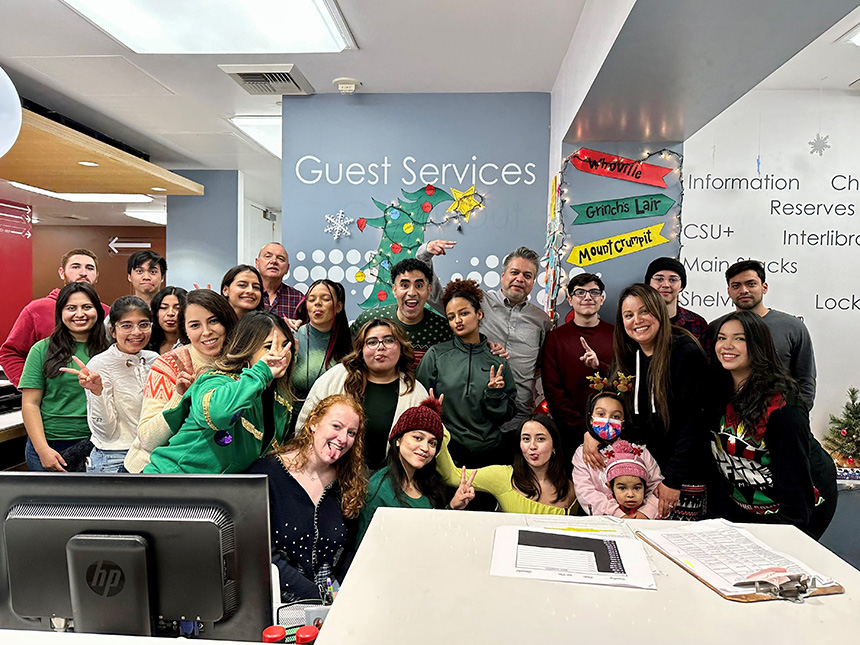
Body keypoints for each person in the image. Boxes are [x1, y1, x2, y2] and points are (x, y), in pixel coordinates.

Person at [583, 283, 709, 520]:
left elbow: (694, 423)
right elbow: (611, 405)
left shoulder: (684, 352)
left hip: (681, 476)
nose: (637, 320)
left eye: (644, 311)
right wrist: (591, 432)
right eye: (628, 315)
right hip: (641, 474)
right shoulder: (628, 356)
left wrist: (674, 480)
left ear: (659, 311)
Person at [709, 311, 836, 539]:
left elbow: (796, 486)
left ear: (759, 344)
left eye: (740, 338)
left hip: (800, 506)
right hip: (747, 502)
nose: (727, 346)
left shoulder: (784, 406)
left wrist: (787, 538)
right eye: (721, 338)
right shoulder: (715, 391)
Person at [249, 394, 367, 602]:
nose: (343, 438)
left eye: (351, 433)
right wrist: (317, 597)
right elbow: (261, 554)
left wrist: (339, 597)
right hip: (276, 606)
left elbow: (348, 550)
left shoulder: (349, 483)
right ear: (313, 423)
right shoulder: (266, 473)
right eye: (336, 426)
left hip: (331, 606)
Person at [143, 310, 293, 474]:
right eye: (268, 347)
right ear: (247, 348)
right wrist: (261, 373)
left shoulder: (280, 399)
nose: (279, 353)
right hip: (169, 480)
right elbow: (218, 415)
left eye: (285, 345)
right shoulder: (216, 380)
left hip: (215, 490)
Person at [124, 289, 238, 473]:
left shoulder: (242, 363)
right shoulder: (169, 365)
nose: (207, 332)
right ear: (185, 330)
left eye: (213, 321)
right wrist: (180, 397)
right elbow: (148, 439)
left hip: (213, 474)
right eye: (195, 325)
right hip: (155, 471)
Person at [298, 318, 429, 470]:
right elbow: (305, 425)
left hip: (388, 483)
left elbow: (424, 446)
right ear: (361, 350)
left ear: (401, 348)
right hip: (330, 473)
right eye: (372, 342)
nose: (381, 347)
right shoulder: (336, 377)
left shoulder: (415, 391)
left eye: (389, 340)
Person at [416, 279, 517, 467]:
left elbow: (507, 415)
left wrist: (494, 396)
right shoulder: (436, 355)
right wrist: (431, 409)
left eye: (464, 313)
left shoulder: (497, 359)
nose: (458, 321)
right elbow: (419, 401)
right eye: (451, 317)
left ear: (479, 314)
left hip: (490, 452)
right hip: (447, 452)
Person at [355, 397, 475, 546]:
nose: (425, 448)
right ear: (398, 440)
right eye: (418, 438)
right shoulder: (377, 490)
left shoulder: (429, 481)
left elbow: (431, 530)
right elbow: (364, 549)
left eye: (432, 443)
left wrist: (452, 507)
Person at [18, 282, 109, 471]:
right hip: (51, 444)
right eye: (71, 308)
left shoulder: (111, 349)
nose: (80, 314)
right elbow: (30, 404)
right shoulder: (42, 349)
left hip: (99, 443)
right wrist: (42, 450)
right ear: (60, 312)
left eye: (87, 307)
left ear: (98, 311)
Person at [63, 296, 159, 473]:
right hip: (114, 458)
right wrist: (97, 392)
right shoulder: (99, 365)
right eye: (126, 325)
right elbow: (105, 433)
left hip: (153, 456)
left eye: (144, 324)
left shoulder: (155, 360)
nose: (137, 332)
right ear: (113, 331)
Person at [709, 260, 816, 408]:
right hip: (729, 420)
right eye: (736, 286)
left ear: (764, 287)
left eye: (751, 284)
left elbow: (805, 378)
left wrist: (798, 412)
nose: (744, 290)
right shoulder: (717, 327)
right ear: (729, 291)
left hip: (779, 417)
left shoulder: (792, 327)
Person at [0, 248, 109, 387]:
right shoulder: (36, 310)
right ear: (61, 273)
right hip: (51, 404)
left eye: (89, 268)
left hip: (98, 400)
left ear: (97, 275)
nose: (83, 273)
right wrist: (32, 387)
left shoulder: (107, 313)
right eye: (75, 267)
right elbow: (10, 353)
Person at [436, 414, 578, 514]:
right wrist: (437, 430)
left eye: (540, 439)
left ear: (554, 446)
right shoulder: (503, 476)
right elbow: (452, 476)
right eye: (526, 439)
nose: (532, 446)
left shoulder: (572, 488)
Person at [542, 273, 615, 459]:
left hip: (613, 432)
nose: (588, 297)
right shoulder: (555, 338)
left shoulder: (617, 335)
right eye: (580, 292)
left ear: (602, 298)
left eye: (594, 292)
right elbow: (552, 390)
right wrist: (583, 429)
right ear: (570, 299)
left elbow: (625, 380)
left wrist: (600, 366)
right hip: (568, 434)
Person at [572, 392, 662, 519]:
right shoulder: (582, 454)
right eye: (601, 414)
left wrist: (646, 513)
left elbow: (656, 486)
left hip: (641, 522)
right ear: (591, 419)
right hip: (604, 522)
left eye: (615, 416)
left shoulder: (639, 451)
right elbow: (585, 491)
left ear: (623, 423)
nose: (608, 420)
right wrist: (617, 514)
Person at [350, 258, 452, 366]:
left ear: (429, 290)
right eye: (404, 285)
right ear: (394, 290)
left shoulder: (443, 329)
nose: (412, 292)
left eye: (419, 286)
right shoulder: (369, 320)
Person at [291, 279, 351, 423]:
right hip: (291, 419)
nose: (317, 303)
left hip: (333, 421)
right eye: (311, 299)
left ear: (338, 307)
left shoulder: (349, 342)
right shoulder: (293, 336)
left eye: (325, 299)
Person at [645, 257, 709, 348]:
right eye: (659, 279)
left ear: (681, 286)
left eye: (673, 280)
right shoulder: (638, 322)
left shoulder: (698, 324)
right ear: (649, 284)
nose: (666, 285)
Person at [256, 242, 304, 321]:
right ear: (257, 263)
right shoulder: (248, 294)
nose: (274, 261)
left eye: (281, 259)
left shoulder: (298, 298)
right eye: (268, 256)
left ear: (287, 268)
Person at [146, 286, 187, 354]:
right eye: (164, 307)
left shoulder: (195, 344)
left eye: (177, 308)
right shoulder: (146, 340)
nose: (170, 313)